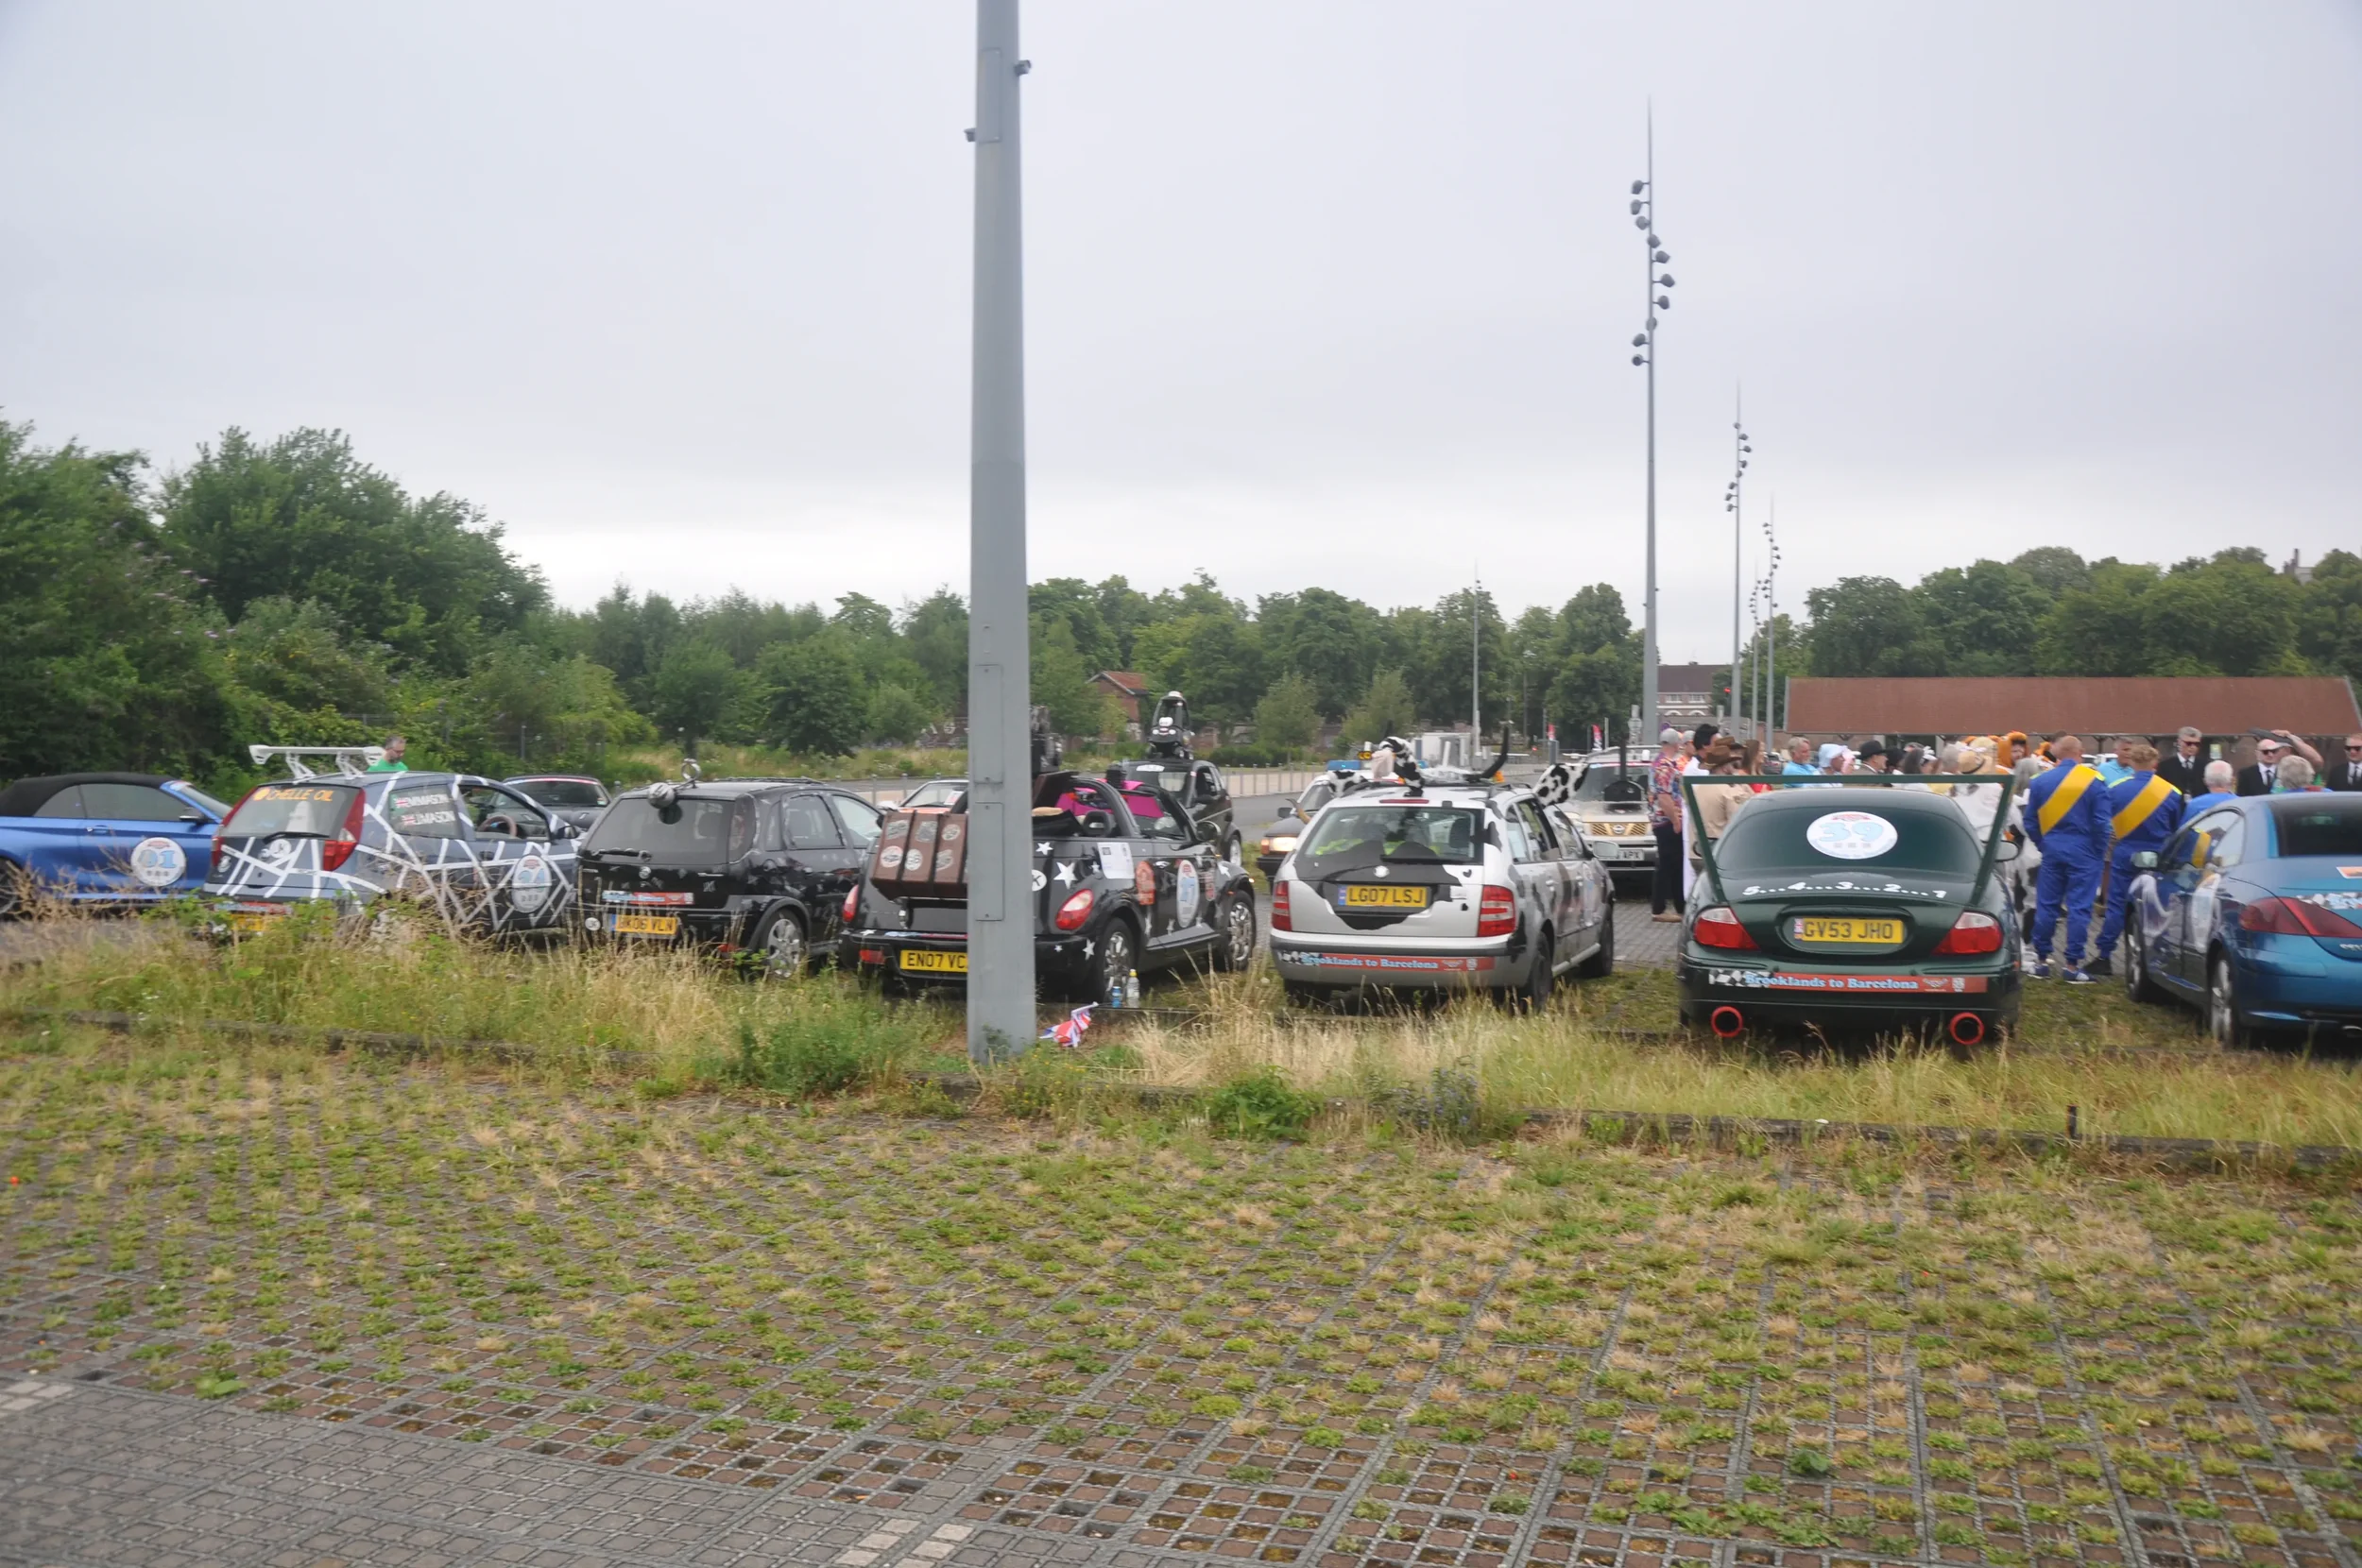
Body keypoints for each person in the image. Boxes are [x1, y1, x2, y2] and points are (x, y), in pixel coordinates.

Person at [2088, 741, 2186, 979]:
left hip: (2126, 853)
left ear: (2132, 763)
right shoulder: (2172, 792)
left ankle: (2104, 956)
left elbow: (2104, 820)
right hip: (2158, 856)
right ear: (2155, 763)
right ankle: (2160, 958)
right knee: (2159, 907)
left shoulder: (2116, 789)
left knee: (2116, 906)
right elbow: (2177, 827)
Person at [2021, 733, 2110, 983]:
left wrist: (2044, 844)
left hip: (2052, 850)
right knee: (2079, 908)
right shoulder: (2094, 781)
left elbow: (2030, 821)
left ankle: (2040, 961)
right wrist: (2098, 851)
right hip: (2085, 852)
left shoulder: (2040, 781)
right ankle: (2072, 965)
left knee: (2047, 905)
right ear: (2080, 753)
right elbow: (2102, 824)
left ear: (2056, 754)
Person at [1686, 740, 1752, 894]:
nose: (1733, 768)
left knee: (1703, 893)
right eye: (1731, 764)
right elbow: (1740, 821)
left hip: (1696, 852)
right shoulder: (1727, 791)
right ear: (1724, 766)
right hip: (1718, 853)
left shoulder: (1699, 788)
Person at [1648, 727, 1686, 921]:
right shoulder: (1666, 766)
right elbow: (1664, 798)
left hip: (1660, 820)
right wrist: (1676, 820)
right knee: (1669, 864)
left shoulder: (1657, 762)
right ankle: (1660, 908)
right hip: (1666, 821)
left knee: (1671, 864)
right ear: (1675, 744)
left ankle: (1677, 906)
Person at [2237, 731, 2322, 795]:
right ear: (2257, 753)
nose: (2271, 754)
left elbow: (2316, 761)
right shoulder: (2247, 773)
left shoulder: (2296, 768)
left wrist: (2291, 739)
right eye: (2266, 751)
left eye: (2274, 751)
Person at [2157, 726, 2207, 796]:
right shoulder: (2164, 766)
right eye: (2188, 743)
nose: (2193, 747)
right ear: (2179, 742)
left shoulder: (2206, 766)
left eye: (2196, 744)